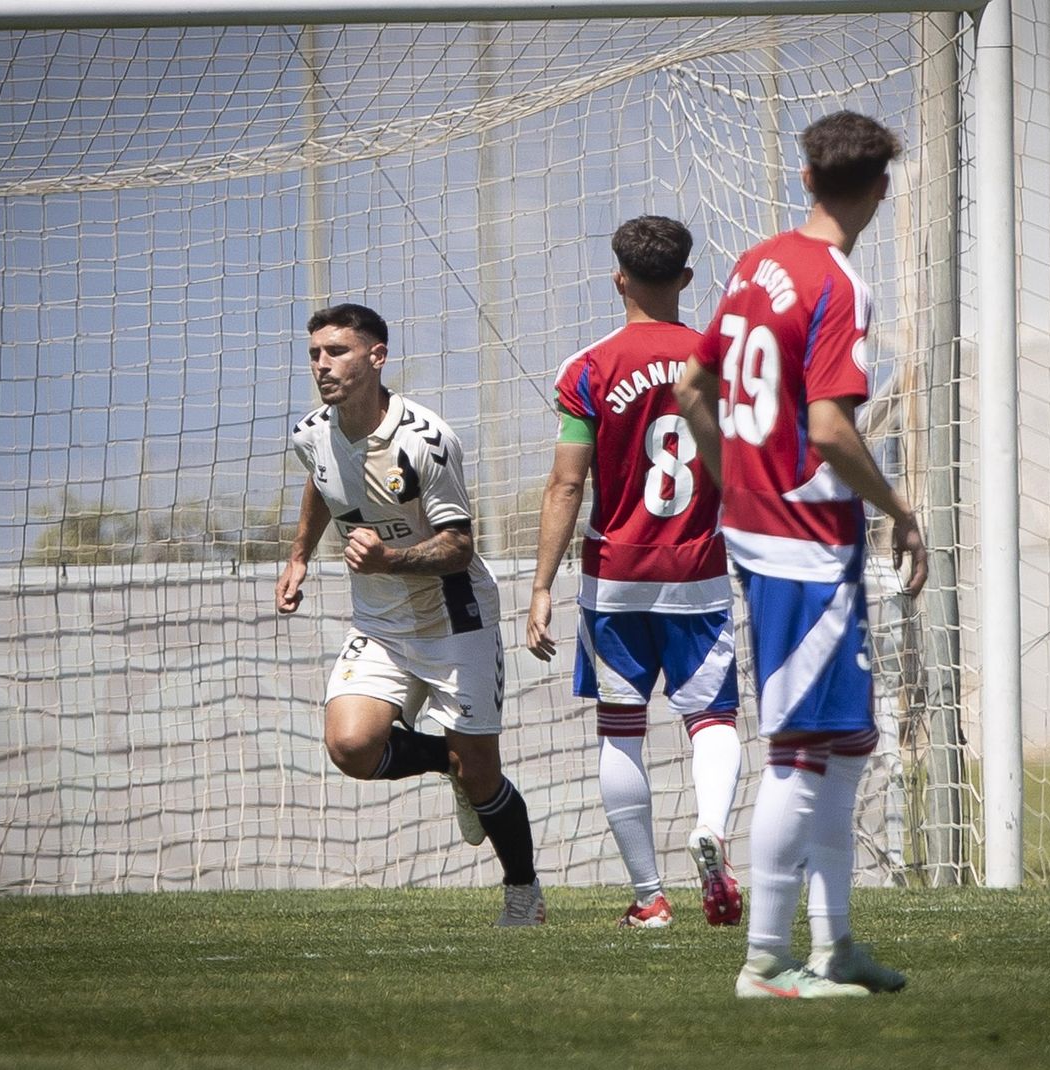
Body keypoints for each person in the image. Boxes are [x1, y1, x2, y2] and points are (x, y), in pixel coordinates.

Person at [677, 112, 926, 997]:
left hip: (770, 533)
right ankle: (766, 961)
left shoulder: (756, 262)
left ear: (807, 179)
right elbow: (828, 429)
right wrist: (901, 508)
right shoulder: (841, 284)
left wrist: (730, 478)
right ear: (880, 190)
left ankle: (835, 944)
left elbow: (691, 385)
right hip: (804, 547)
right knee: (799, 753)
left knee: (848, 743)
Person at [276, 302, 545, 927]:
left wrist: (389, 559)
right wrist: (299, 558)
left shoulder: (426, 440)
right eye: (315, 353)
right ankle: (447, 763)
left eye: (337, 351)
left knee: (483, 774)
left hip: (456, 617)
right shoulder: (310, 432)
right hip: (380, 624)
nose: (322, 365)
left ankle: (524, 893)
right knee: (350, 746)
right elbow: (321, 479)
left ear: (377, 356)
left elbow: (459, 547)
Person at [527, 216, 743, 929]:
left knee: (622, 729)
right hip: (699, 571)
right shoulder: (722, 362)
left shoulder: (588, 368)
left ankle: (650, 899)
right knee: (711, 718)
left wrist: (540, 588)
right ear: (685, 279)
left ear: (618, 277)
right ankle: (711, 828)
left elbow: (566, 484)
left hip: (615, 578)